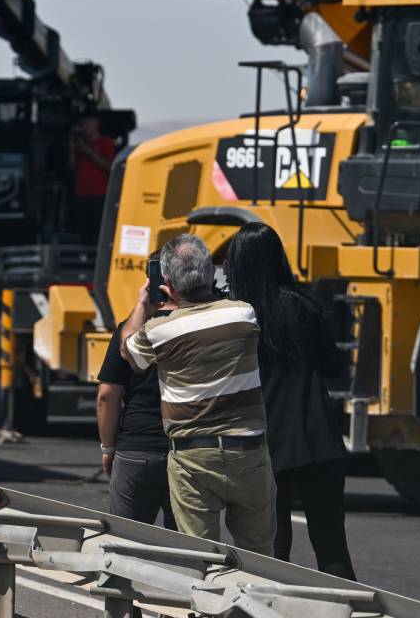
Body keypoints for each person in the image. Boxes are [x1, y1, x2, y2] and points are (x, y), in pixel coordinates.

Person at [120, 234, 275, 555]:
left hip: (193, 457)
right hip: (248, 451)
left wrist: (142, 305)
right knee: (259, 555)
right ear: (210, 272)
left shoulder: (160, 331)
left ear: (166, 281)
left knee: (201, 557)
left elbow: (129, 352)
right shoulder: (242, 314)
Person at [224, 222, 357, 579]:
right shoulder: (304, 306)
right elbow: (333, 365)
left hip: (264, 442)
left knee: (271, 547)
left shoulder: (236, 315)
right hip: (318, 439)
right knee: (331, 542)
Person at [96, 257, 177, 530]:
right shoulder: (201, 328)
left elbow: (107, 395)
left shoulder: (129, 331)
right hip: (185, 450)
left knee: (122, 543)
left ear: (150, 282)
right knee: (189, 550)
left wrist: (108, 448)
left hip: (136, 448)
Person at [69, 116, 115, 244]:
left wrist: (89, 152)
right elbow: (72, 168)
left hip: (99, 193)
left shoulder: (105, 142)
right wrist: (72, 150)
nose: (84, 127)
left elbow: (109, 166)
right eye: (82, 124)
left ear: (96, 124)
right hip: (81, 193)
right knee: (83, 230)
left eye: (86, 123)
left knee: (98, 228)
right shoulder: (80, 144)